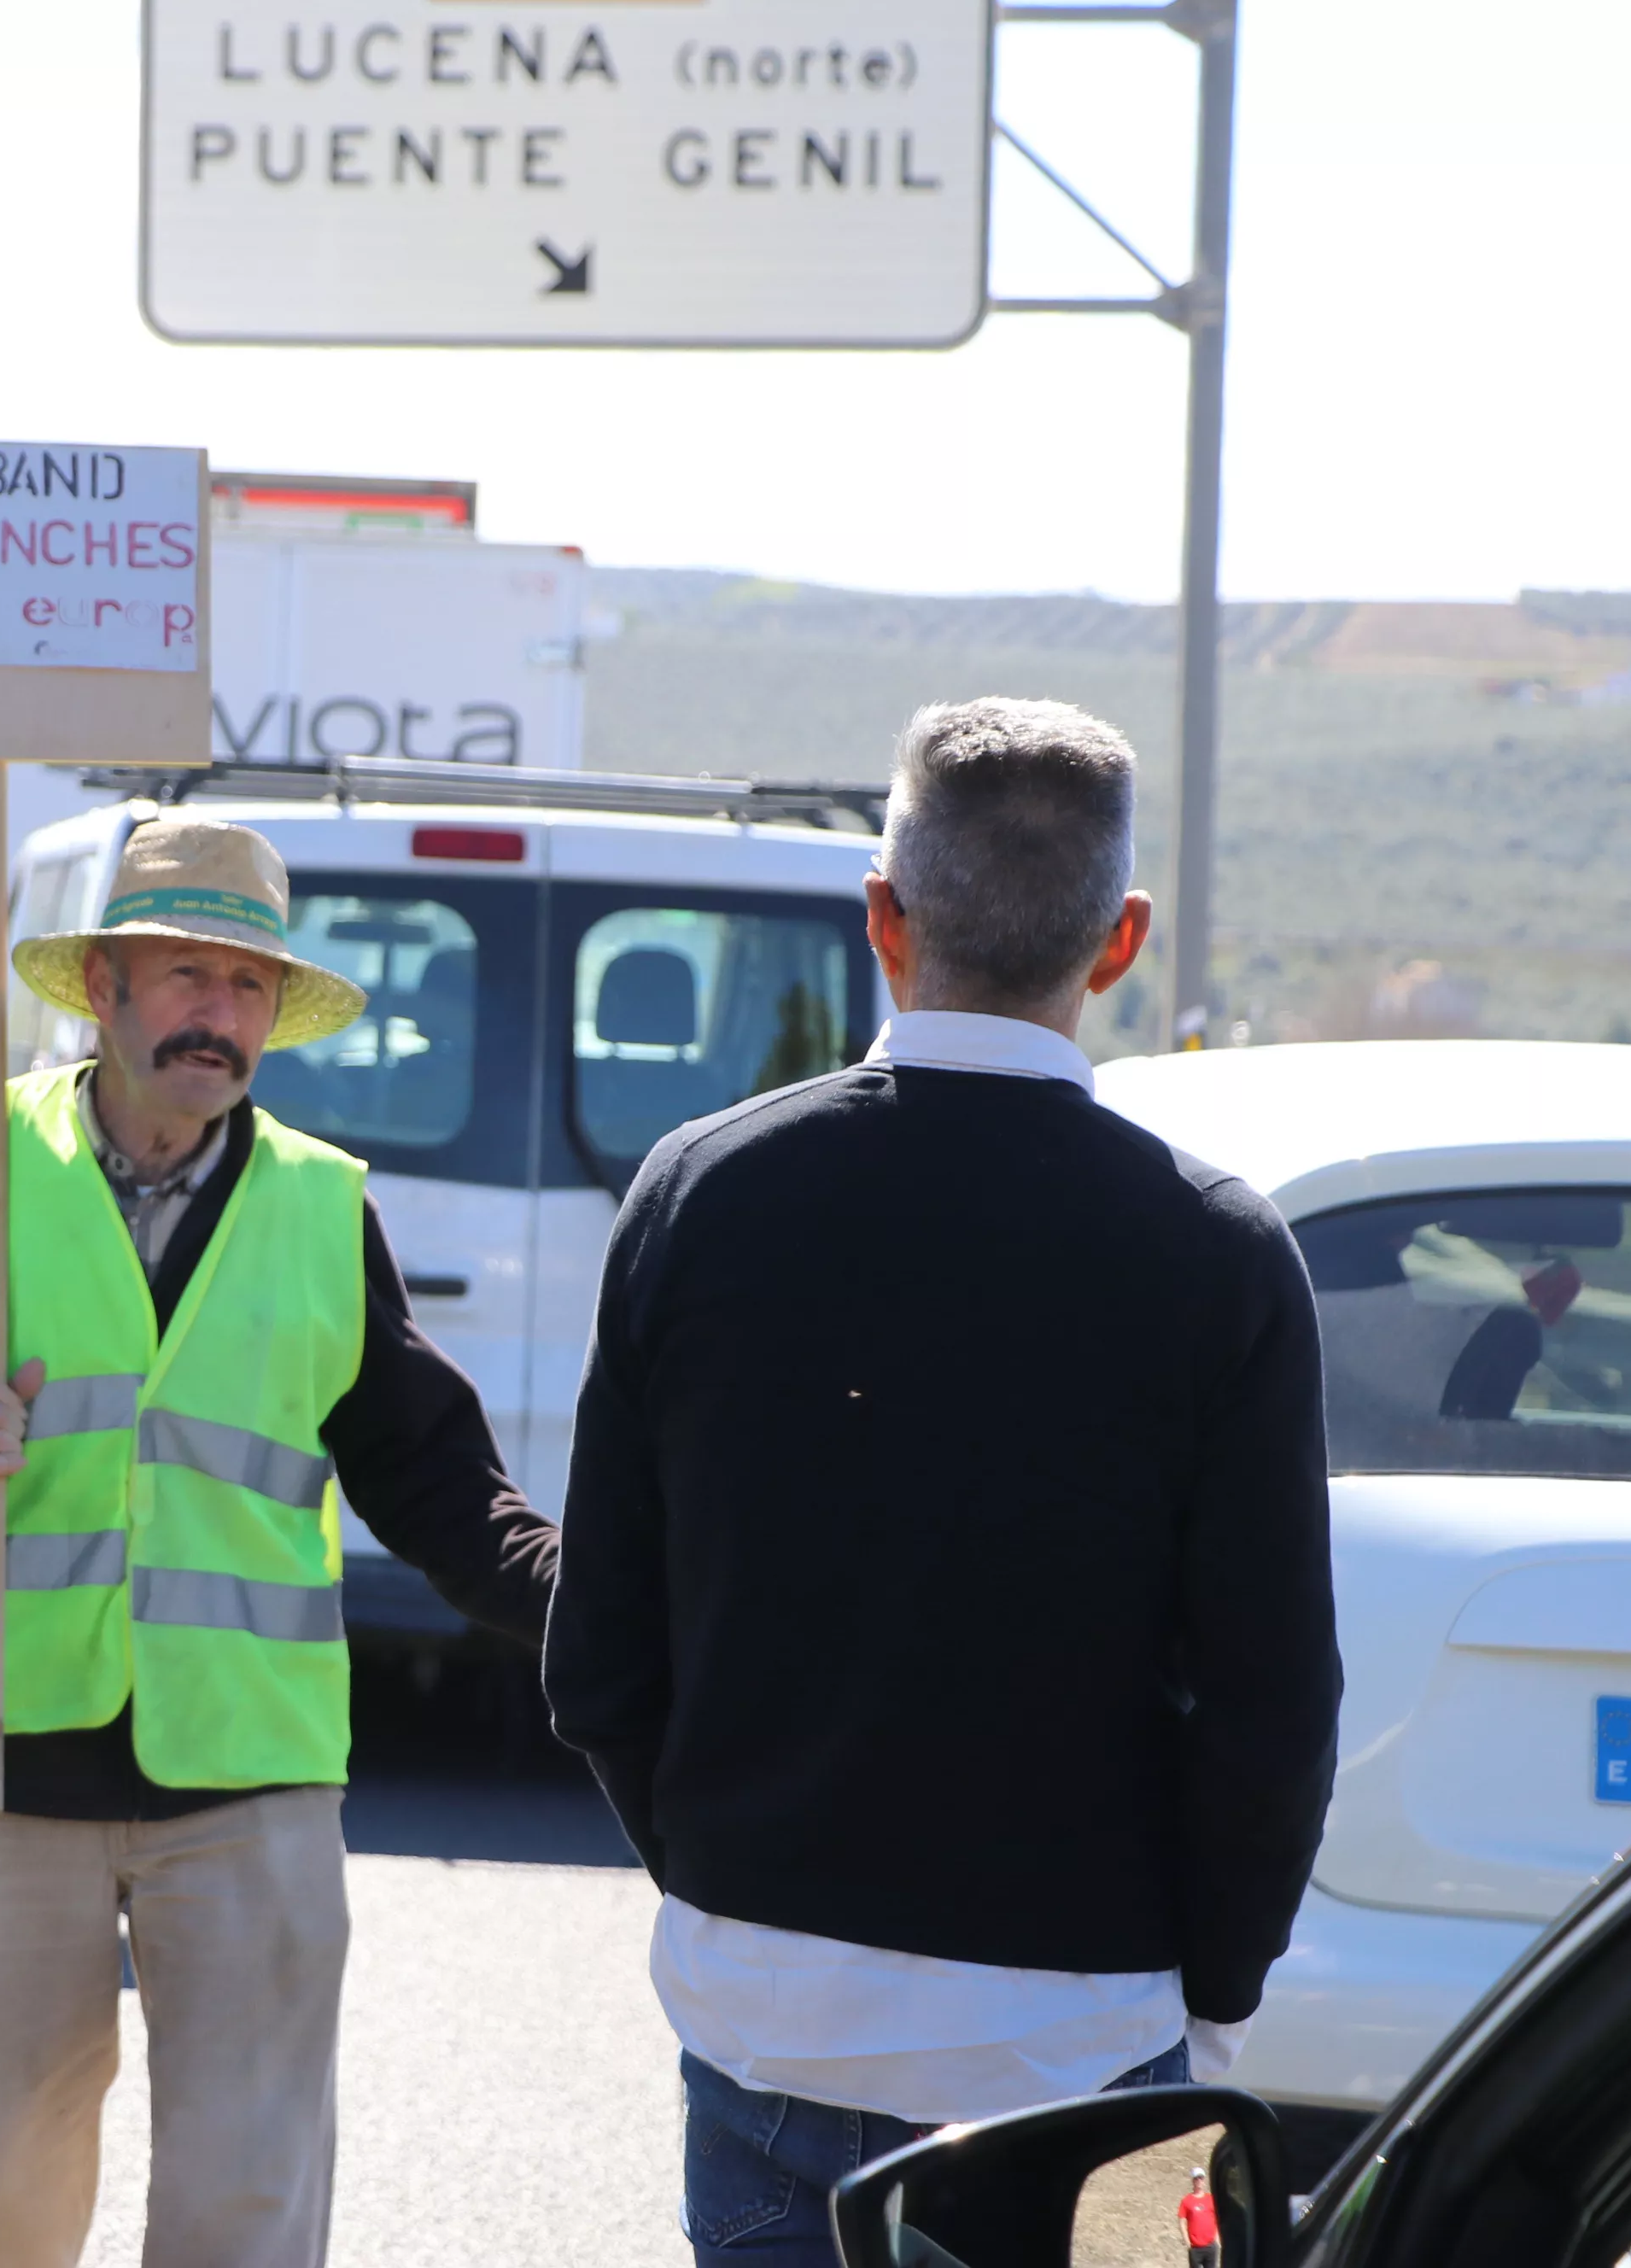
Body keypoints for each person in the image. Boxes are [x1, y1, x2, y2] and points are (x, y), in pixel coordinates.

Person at [543, 699, 1342, 2268]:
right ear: (1118, 942)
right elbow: (1269, 1705)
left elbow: (599, 1659)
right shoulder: (1216, 1253)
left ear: (879, 918)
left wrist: (739, 1892)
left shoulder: (697, 1196)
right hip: (1088, 2052)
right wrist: (1214, 1999)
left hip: (762, 2030)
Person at [0, 815, 558, 2268]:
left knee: (245, 2215)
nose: (216, 1014)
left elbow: (437, 1483)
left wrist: (605, 1608)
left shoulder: (320, 1205)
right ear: (103, 985)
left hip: (248, 1789)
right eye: (185, 974)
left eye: (246, 986)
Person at [1179, 2167, 1223, 2267]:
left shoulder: (1211, 2199)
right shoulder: (1186, 2201)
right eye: (1196, 2178)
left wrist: (1217, 2240)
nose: (1199, 2180)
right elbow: (1182, 2222)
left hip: (1211, 2246)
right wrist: (1188, 2243)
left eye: (1201, 2178)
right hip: (1195, 2248)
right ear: (1193, 2180)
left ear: (1204, 2180)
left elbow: (1216, 2219)